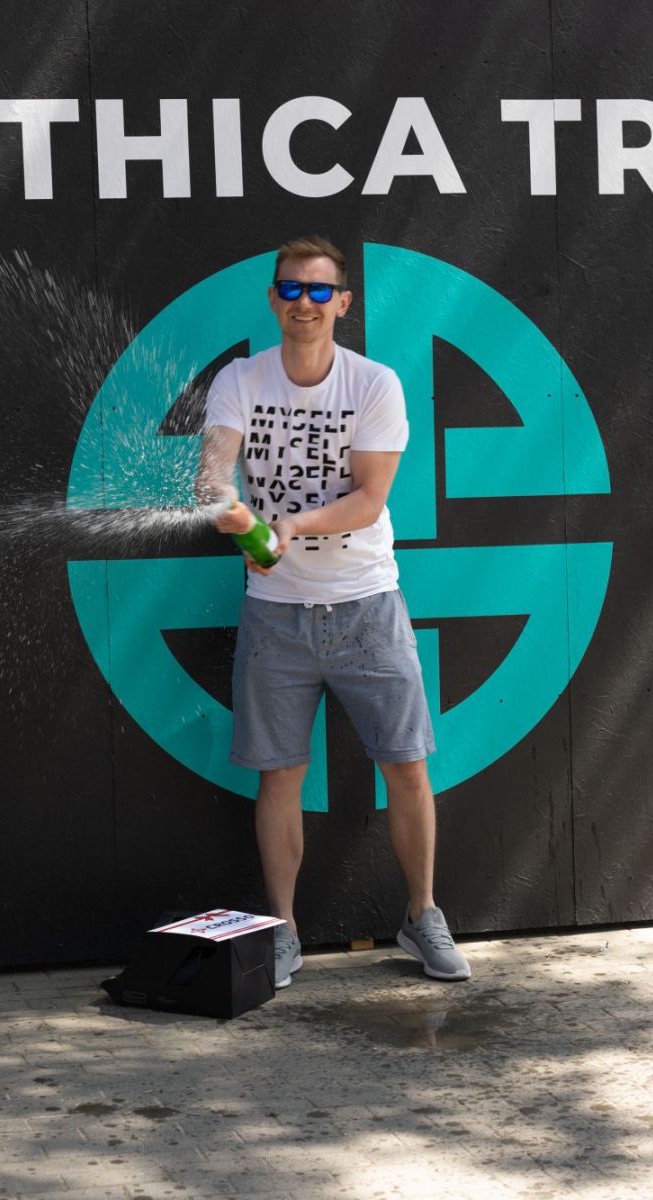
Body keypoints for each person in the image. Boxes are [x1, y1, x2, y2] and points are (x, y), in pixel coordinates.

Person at [196, 235, 470, 988]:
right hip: (274, 615)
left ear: (343, 303)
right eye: (291, 289)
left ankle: (422, 916)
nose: (305, 303)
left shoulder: (375, 383)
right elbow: (213, 482)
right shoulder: (239, 380)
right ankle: (282, 933)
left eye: (320, 291)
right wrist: (238, 523)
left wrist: (286, 528)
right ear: (273, 299)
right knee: (279, 777)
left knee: (406, 765)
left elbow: (369, 500)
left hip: (367, 604)